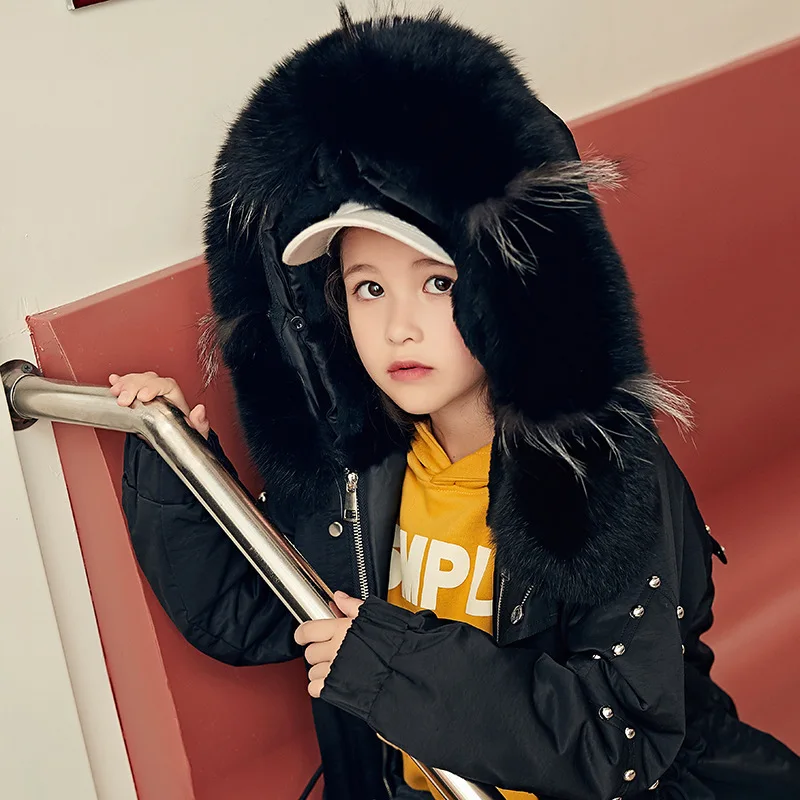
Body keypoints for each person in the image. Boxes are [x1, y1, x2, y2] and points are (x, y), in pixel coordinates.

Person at [116, 6, 800, 800]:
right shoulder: (362, 469)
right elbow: (252, 614)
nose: (398, 327)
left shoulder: (599, 477)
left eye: (437, 284)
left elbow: (621, 737)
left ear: (505, 289)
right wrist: (174, 464)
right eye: (368, 288)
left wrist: (391, 667)